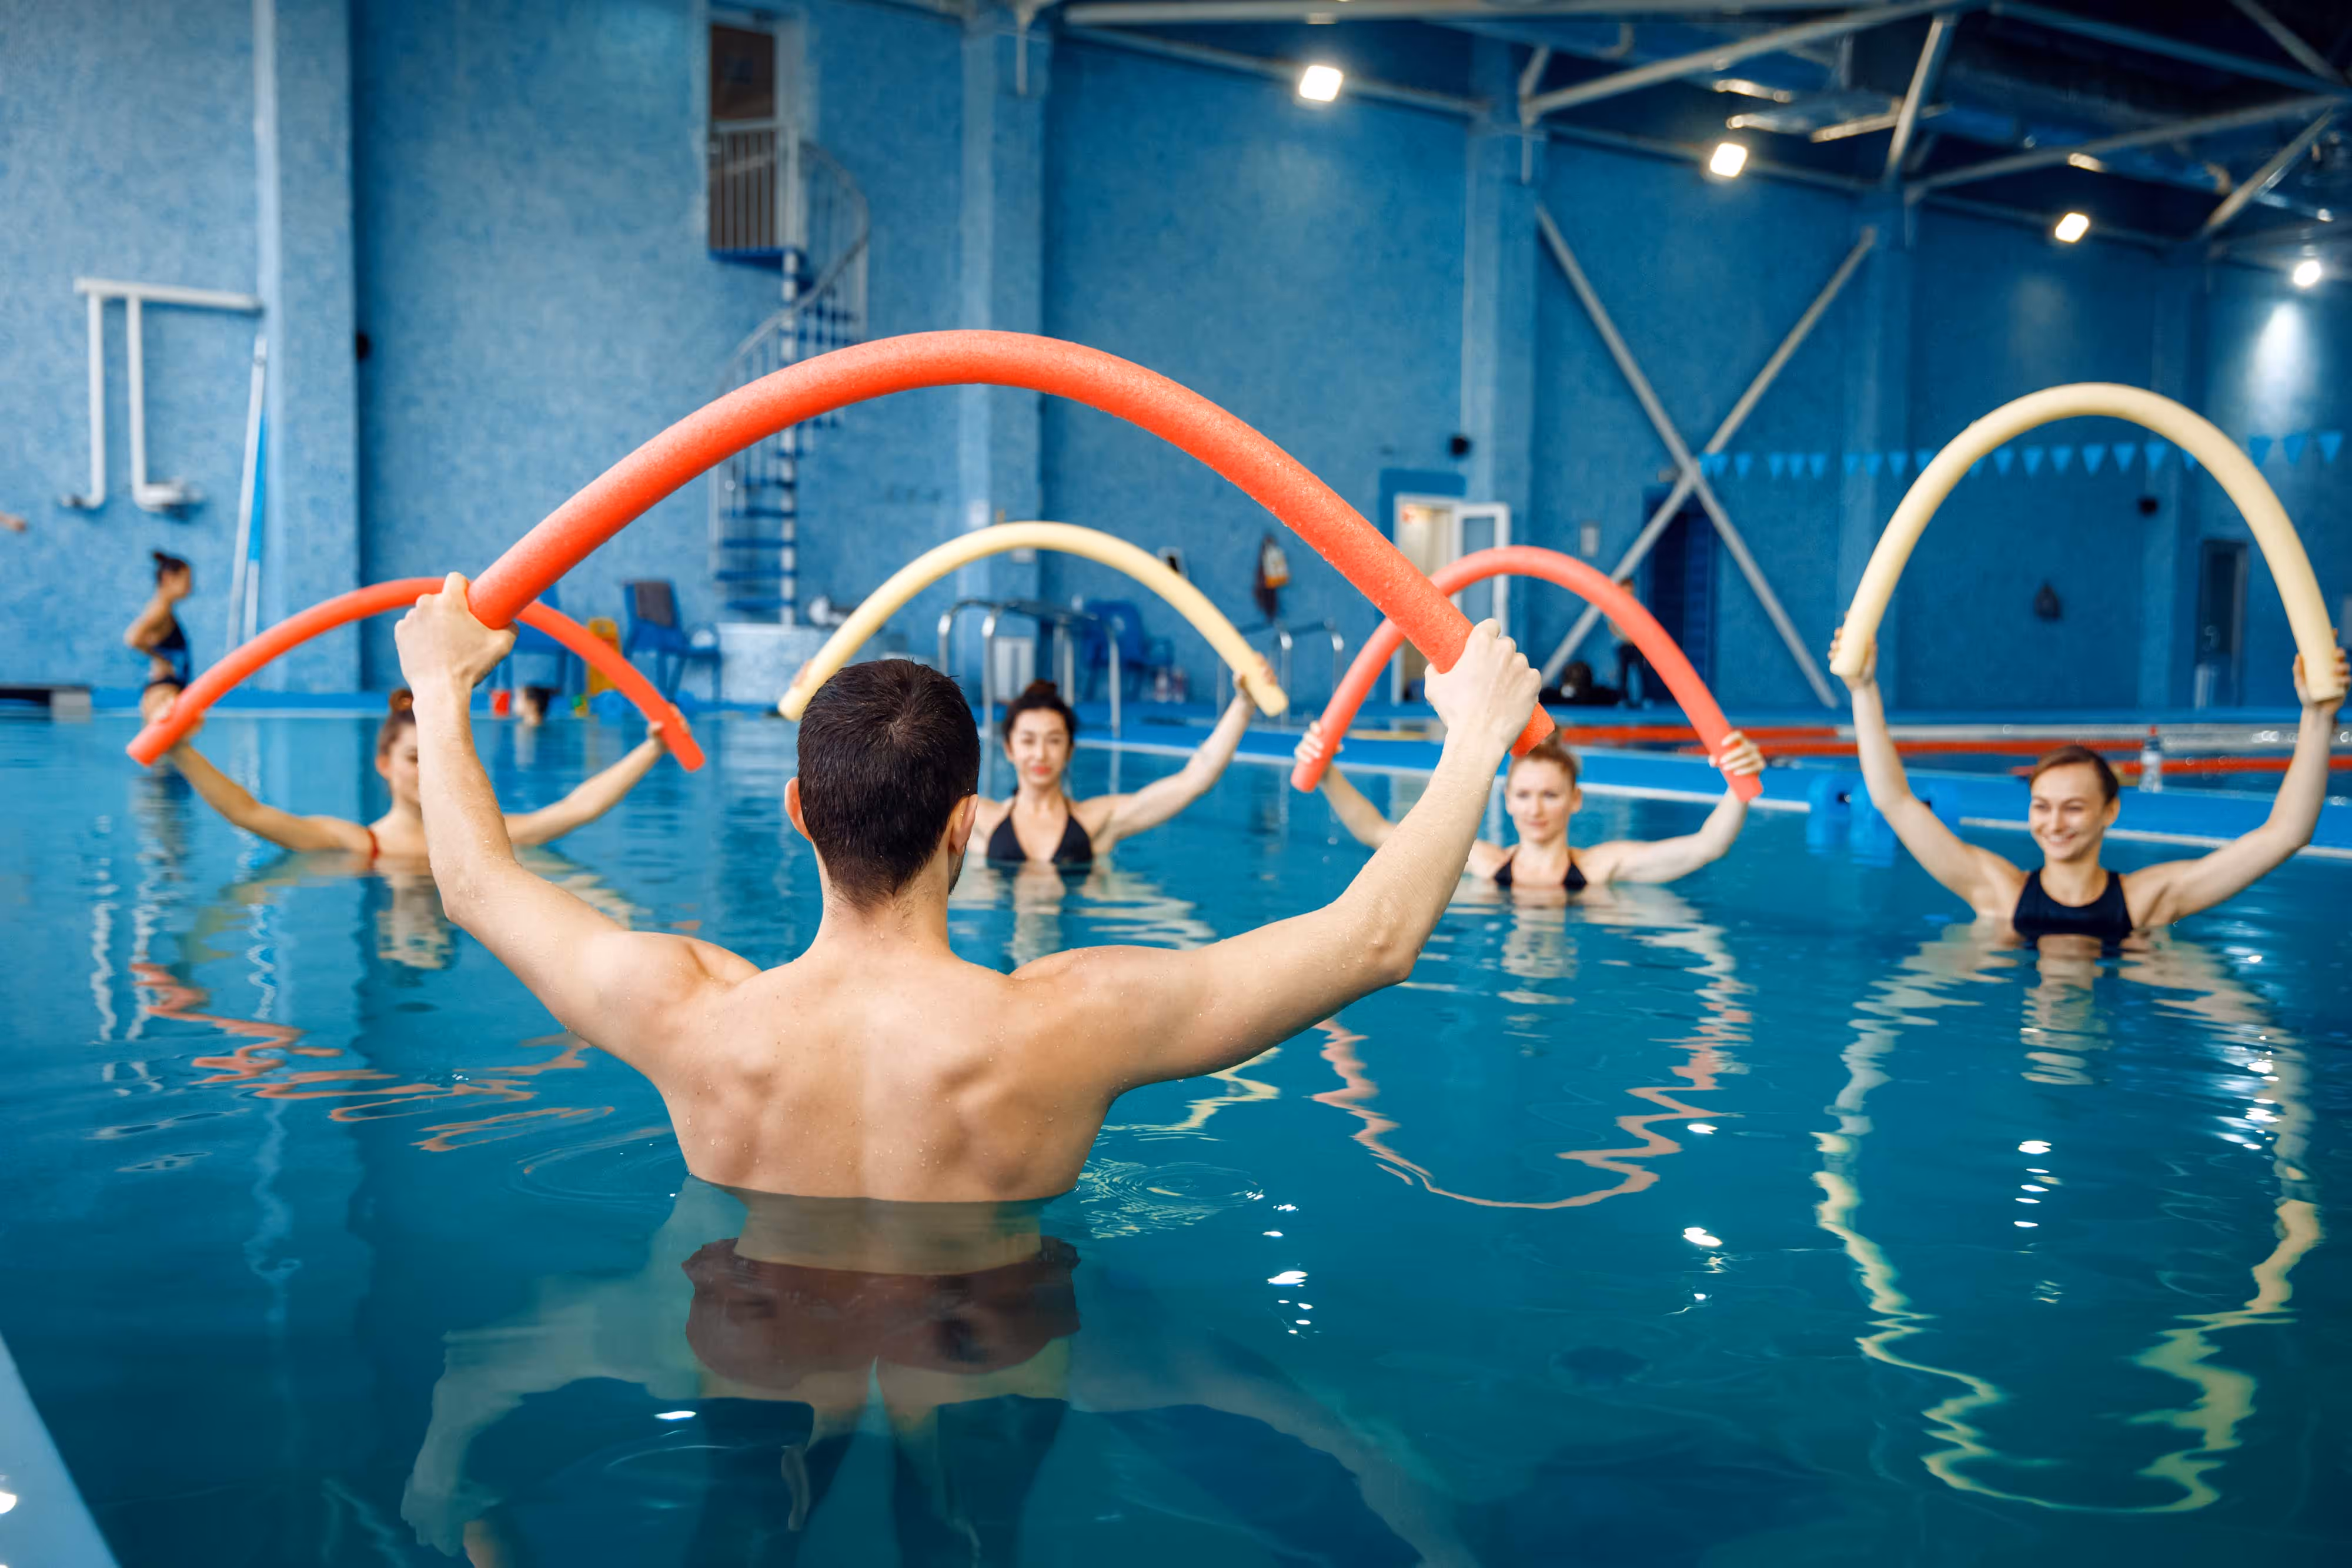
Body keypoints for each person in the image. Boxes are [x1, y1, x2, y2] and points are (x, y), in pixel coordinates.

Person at [391, 570, 1544, 1200]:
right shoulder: (1067, 1020)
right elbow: (1373, 938)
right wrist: (1475, 738)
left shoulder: (684, 1008)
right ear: (964, 825)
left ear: (796, 814)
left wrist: (441, 687)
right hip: (984, 1348)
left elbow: (475, 883)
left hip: (755, 1341)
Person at [1830, 624, 2348, 943]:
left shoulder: (2149, 900)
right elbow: (1894, 801)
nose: (2054, 823)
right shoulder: (2000, 894)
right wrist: (1863, 688)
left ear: (2110, 812)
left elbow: (2286, 834)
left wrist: (2318, 717)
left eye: (2074, 807)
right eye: (2042, 806)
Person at [159, 687, 670, 863]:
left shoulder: (485, 839)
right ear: (383, 764)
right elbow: (248, 813)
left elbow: (577, 808)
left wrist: (653, 747)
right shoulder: (356, 844)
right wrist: (179, 750)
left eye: (438, 758)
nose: (428, 774)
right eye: (414, 759)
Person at [1296, 720, 1764, 892]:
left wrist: (1738, 781)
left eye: (1550, 794)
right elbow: (1377, 831)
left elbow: (1707, 846)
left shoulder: (1602, 867)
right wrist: (1327, 773)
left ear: (1575, 801)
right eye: (1523, 795)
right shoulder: (1484, 862)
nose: (1535, 808)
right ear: (1507, 801)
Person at [971, 678, 1258, 868]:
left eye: (1054, 740)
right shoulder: (978, 819)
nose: (1041, 754)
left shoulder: (1099, 820)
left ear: (1070, 750)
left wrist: (1244, 705)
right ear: (1009, 749)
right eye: (1029, 740)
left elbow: (1194, 781)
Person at [124, 550, 195, 721]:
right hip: (163, 691)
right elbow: (132, 638)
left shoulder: (164, 609)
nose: (190, 587)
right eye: (187, 581)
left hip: (167, 688)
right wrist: (162, 659)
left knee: (173, 746)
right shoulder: (159, 609)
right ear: (168, 578)